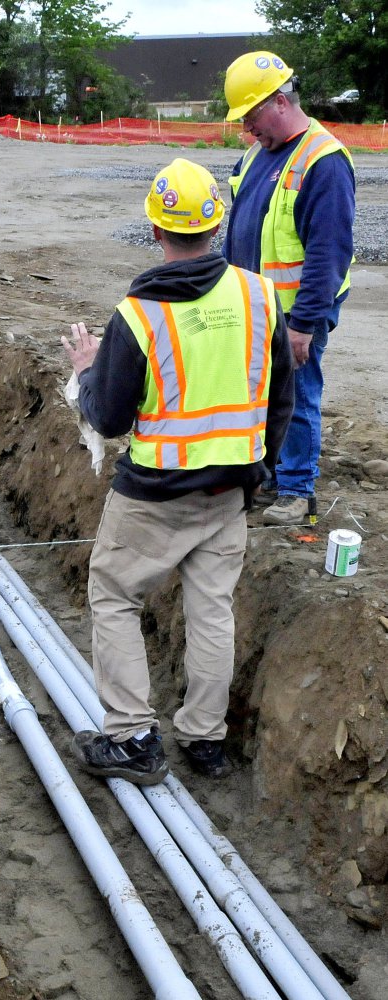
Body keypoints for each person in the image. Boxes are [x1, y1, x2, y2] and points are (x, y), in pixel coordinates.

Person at [61, 158, 294, 784]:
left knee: (113, 595)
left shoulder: (138, 316)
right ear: (217, 226)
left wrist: (87, 368)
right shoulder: (259, 295)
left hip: (156, 492)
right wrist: (261, 467)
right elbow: (281, 399)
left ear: (154, 229)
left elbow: (108, 420)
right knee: (212, 610)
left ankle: (134, 738)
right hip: (229, 488)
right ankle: (204, 739)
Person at [223, 51, 356, 526]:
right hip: (256, 307)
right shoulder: (259, 153)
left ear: (280, 101)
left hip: (295, 313)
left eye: (251, 115)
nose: (247, 128)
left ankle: (298, 491)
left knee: (296, 396)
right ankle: (275, 477)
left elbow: (329, 253)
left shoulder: (323, 161)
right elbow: (240, 226)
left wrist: (303, 325)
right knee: (263, 395)